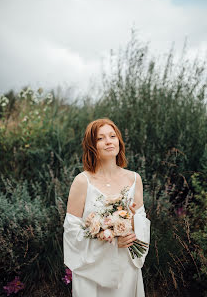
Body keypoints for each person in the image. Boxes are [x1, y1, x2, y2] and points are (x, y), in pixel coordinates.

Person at [63, 118, 150, 297]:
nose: (109, 141)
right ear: (91, 146)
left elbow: (142, 222)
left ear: (119, 141)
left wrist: (131, 223)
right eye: (100, 138)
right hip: (92, 270)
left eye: (112, 136)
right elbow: (71, 231)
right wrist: (110, 241)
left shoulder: (134, 179)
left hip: (126, 266)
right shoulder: (82, 181)